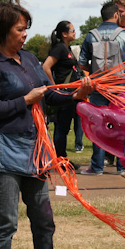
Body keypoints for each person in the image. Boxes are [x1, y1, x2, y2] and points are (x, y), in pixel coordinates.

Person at [0, 0, 92, 249]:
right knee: (7, 221)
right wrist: (25, 100)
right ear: (3, 30)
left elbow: (49, 97)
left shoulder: (28, 60)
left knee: (43, 218)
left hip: (36, 149)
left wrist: (75, 95)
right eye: (19, 29)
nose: (25, 34)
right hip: (5, 150)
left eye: (26, 28)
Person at [78, 2, 125, 175]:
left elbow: (82, 63)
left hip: (98, 87)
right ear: (116, 15)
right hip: (121, 88)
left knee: (98, 124)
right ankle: (121, 166)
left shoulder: (91, 36)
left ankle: (97, 167)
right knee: (122, 125)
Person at [43, 21, 82, 170]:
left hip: (69, 93)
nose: (74, 32)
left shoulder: (67, 48)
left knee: (64, 128)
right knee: (61, 128)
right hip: (63, 93)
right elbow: (46, 67)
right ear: (64, 34)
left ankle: (62, 158)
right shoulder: (59, 48)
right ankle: (60, 161)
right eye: (72, 30)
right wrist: (54, 88)